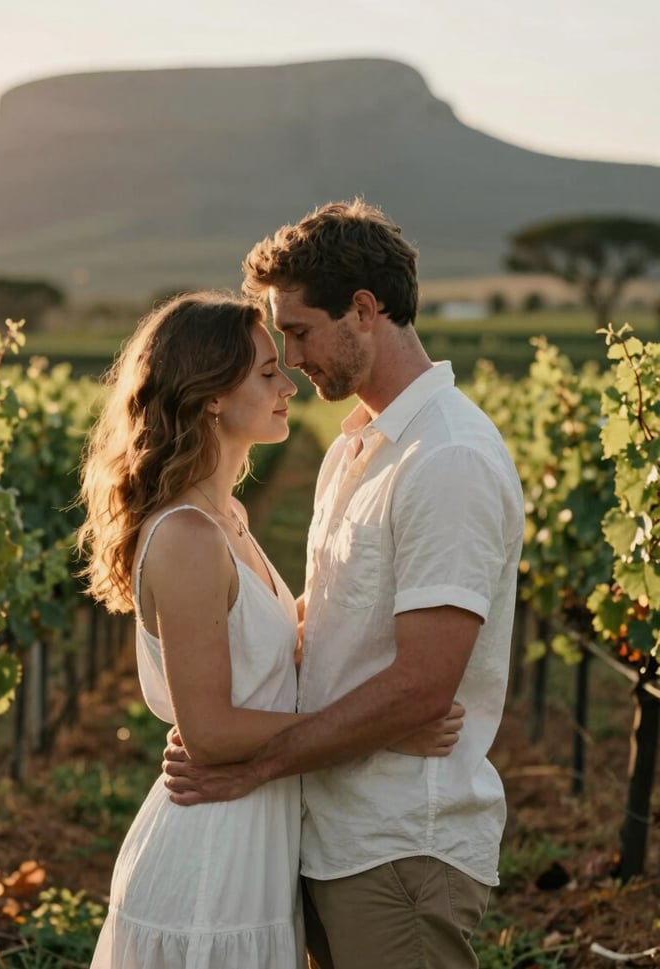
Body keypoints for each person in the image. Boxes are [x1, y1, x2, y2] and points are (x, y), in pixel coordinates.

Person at [163, 202, 526, 969]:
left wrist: (254, 763)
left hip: (400, 847)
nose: (291, 358)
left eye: (298, 331)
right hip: (329, 834)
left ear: (365, 310)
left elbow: (422, 689)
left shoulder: (446, 459)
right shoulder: (355, 448)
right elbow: (323, 631)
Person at [77, 290, 463, 969]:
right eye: (265, 372)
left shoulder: (227, 520)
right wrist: (387, 726)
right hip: (210, 857)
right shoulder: (189, 536)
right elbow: (211, 731)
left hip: (256, 837)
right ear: (211, 396)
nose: (289, 384)